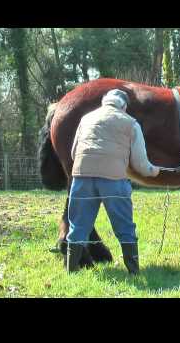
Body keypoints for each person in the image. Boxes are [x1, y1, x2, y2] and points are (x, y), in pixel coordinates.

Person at [65, 89, 161, 274]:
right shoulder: (130, 123)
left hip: (81, 178)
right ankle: (133, 272)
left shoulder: (86, 119)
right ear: (124, 106)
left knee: (78, 226)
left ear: (104, 102)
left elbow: (73, 152)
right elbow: (141, 164)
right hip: (113, 180)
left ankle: (71, 270)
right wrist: (154, 171)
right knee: (124, 226)